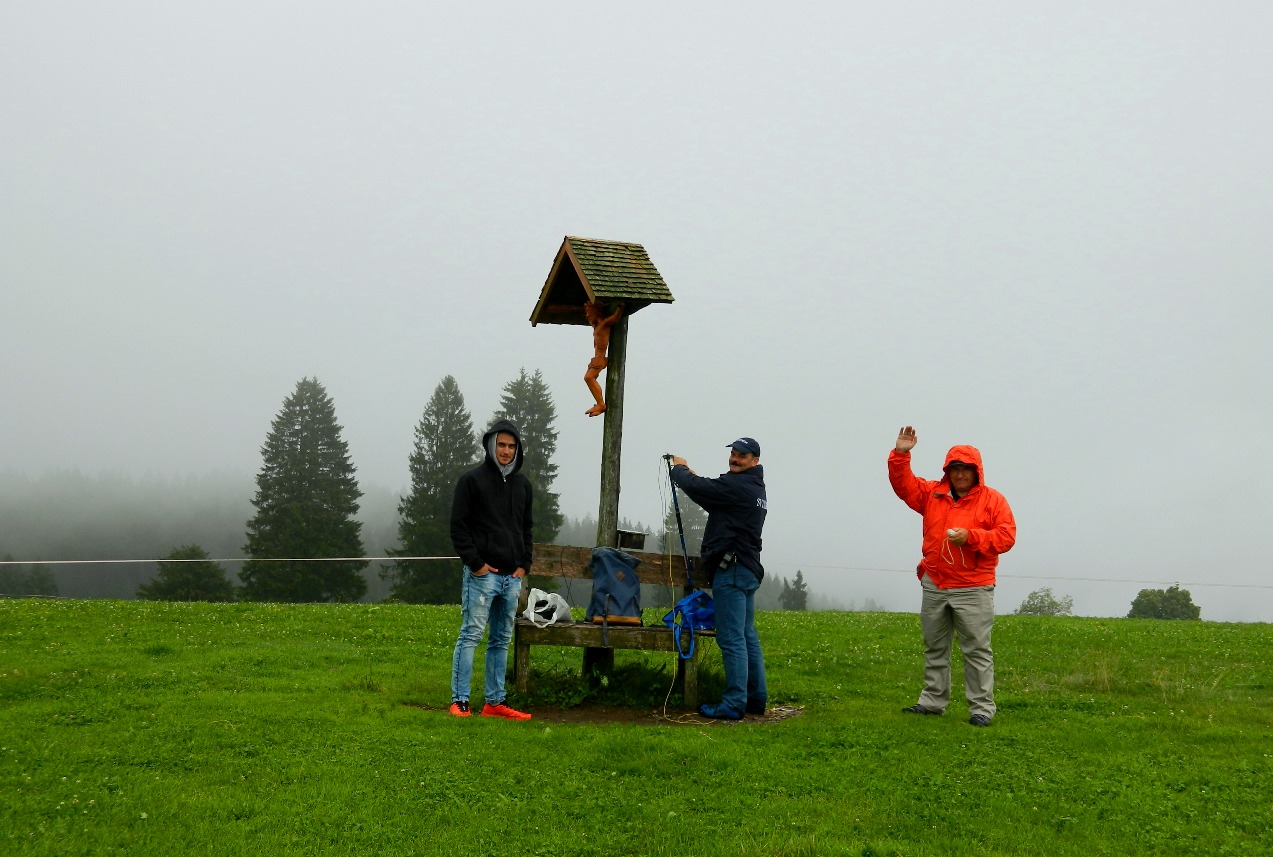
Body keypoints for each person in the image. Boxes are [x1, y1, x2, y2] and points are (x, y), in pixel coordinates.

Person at [888, 426, 1016, 727]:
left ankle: (981, 709)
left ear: (977, 472)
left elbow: (1006, 537)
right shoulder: (933, 494)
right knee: (935, 645)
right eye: (955, 469)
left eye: (966, 469)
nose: (960, 475)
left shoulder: (993, 501)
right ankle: (932, 702)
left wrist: (971, 537)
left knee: (977, 650)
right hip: (935, 582)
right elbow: (904, 486)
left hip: (973, 586)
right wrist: (901, 454)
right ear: (948, 471)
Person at [669, 437, 768, 720]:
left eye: (742, 456)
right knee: (747, 635)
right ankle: (756, 699)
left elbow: (699, 488)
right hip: (746, 569)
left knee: (731, 637)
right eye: (733, 454)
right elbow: (713, 493)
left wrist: (681, 470)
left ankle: (734, 703)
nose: (735, 459)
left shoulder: (739, 486)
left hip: (732, 570)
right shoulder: (754, 487)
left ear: (755, 461)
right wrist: (695, 478)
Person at [448, 418, 535, 720]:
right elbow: (458, 527)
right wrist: (476, 564)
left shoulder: (523, 485)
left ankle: (494, 703)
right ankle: (460, 701)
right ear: (490, 444)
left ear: (517, 449)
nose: (506, 451)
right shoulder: (471, 481)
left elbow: (526, 527)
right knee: (471, 635)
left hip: (512, 578)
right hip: (481, 576)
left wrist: (524, 565)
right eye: (501, 444)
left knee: (501, 640)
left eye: (512, 446)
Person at [582, 300, 623, 416]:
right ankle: (599, 403)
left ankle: (601, 404)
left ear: (596, 312)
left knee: (589, 378)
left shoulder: (604, 324)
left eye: (589, 312)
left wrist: (620, 307)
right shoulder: (596, 326)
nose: (587, 315)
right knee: (588, 378)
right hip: (596, 358)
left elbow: (614, 318)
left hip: (600, 358)